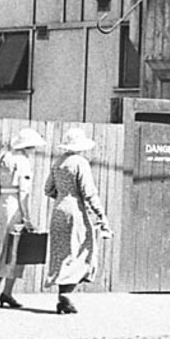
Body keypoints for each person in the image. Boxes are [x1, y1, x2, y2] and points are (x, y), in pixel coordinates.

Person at [45, 127, 112, 315]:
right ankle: (67, 295)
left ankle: (62, 295)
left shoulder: (58, 163)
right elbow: (89, 192)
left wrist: (62, 196)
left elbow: (48, 189)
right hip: (75, 209)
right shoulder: (80, 163)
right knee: (81, 250)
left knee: (62, 251)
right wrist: (101, 216)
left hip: (59, 209)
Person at [0, 127, 46, 309]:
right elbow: (23, 190)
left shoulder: (4, 157)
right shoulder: (22, 161)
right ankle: (6, 290)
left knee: (5, 245)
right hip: (15, 205)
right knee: (16, 248)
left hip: (2, 202)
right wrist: (27, 217)